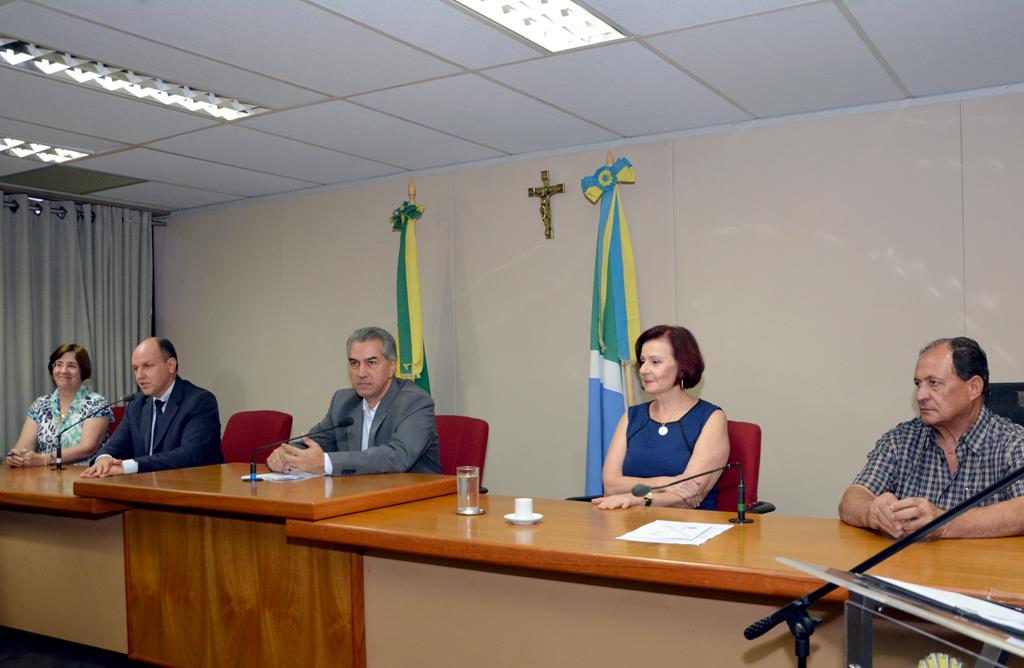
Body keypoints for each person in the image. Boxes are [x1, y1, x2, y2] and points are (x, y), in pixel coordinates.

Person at [839, 337, 1024, 539]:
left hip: (984, 560)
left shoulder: (1012, 442)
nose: (920, 396)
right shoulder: (901, 440)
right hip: (913, 560)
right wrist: (872, 512)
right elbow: (852, 499)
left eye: (934, 383)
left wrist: (943, 524)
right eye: (918, 384)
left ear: (973, 388)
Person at [267, 326, 441, 476]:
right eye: (354, 363)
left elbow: (397, 457)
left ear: (392, 366)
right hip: (359, 495)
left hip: (414, 498)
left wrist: (326, 463)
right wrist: (286, 455)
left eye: (371, 363)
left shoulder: (415, 402)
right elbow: (314, 443)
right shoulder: (343, 402)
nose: (361, 373)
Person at [592, 325, 729, 510]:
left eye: (655, 362)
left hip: (689, 524)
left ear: (682, 367)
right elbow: (610, 486)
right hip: (631, 521)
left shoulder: (711, 418)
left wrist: (639, 498)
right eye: (642, 361)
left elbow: (689, 497)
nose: (643, 370)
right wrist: (666, 483)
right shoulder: (632, 417)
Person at [82, 337, 222, 477]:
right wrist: (104, 459)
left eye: (148, 366)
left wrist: (129, 466)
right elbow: (117, 444)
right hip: (145, 486)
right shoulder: (137, 403)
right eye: (135, 368)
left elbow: (189, 455)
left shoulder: (199, 401)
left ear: (171, 365)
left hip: (191, 485)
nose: (139, 376)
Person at [6, 343, 112, 467]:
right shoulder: (40, 405)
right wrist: (16, 457)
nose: (63, 370)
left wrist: (46, 459)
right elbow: (23, 448)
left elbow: (87, 448)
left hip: (87, 474)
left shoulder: (96, 403)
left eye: (71, 366)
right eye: (59, 364)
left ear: (83, 371)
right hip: (45, 477)